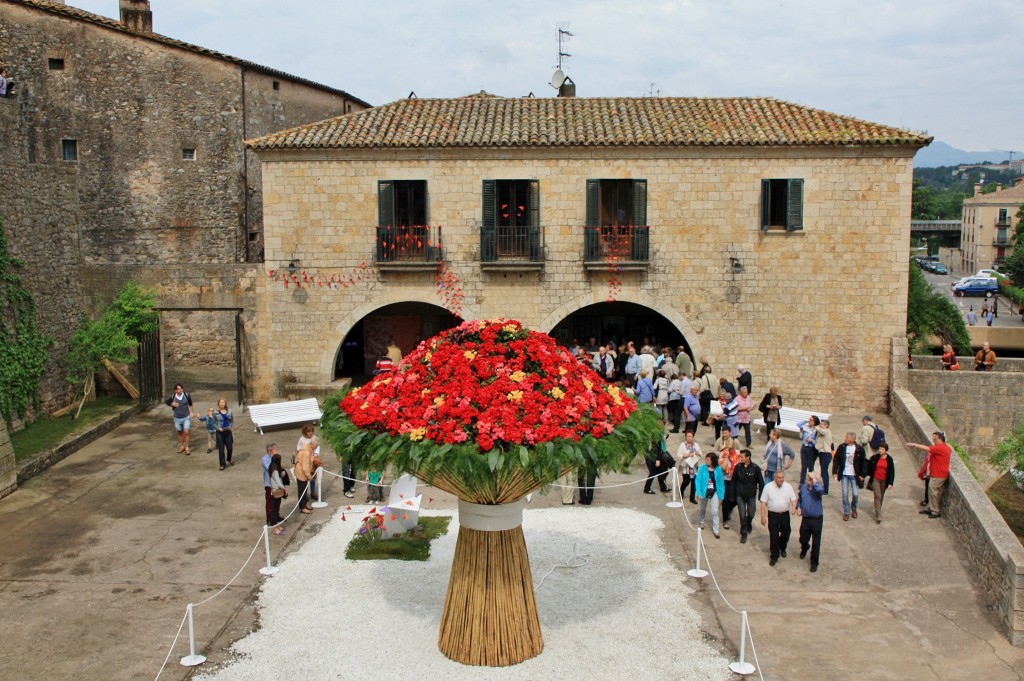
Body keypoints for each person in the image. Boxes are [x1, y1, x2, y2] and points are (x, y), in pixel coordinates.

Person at [908, 431, 952, 519]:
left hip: (938, 474)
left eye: (935, 438)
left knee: (933, 492)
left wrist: (914, 445)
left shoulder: (940, 448)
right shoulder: (946, 447)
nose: (933, 440)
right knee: (934, 492)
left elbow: (927, 448)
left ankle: (935, 511)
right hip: (939, 474)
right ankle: (930, 508)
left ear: (939, 439)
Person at [760, 470, 797, 566]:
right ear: (775, 478)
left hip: (785, 514)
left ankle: (782, 547)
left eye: (782, 477)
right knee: (774, 536)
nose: (781, 479)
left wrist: (794, 508)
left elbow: (793, 499)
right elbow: (763, 502)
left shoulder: (788, 487)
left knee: (786, 533)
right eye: (779, 478)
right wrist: (763, 516)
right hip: (773, 515)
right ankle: (774, 555)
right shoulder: (768, 487)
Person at [831, 432, 866, 521]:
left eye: (847, 437)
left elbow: (864, 462)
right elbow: (836, 459)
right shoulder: (842, 447)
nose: (845, 438)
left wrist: (862, 474)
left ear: (852, 439)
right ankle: (846, 512)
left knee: (855, 493)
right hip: (844, 474)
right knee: (845, 493)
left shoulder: (859, 449)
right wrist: (835, 471)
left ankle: (854, 508)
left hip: (854, 474)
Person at [732, 449, 764, 543]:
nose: (740, 458)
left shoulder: (755, 468)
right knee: (742, 515)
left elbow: (761, 482)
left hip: (751, 495)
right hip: (740, 495)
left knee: (751, 513)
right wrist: (732, 494)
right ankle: (744, 533)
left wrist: (760, 495)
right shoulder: (738, 467)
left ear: (748, 457)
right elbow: (733, 481)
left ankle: (748, 522)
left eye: (742, 457)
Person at [797, 471, 825, 572]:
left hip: (817, 519)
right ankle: (805, 547)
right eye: (808, 478)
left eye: (811, 479)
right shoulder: (804, 487)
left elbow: (819, 490)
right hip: (806, 518)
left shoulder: (818, 488)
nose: (809, 480)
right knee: (803, 538)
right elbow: (800, 498)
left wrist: (815, 480)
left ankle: (814, 563)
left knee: (816, 542)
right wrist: (799, 507)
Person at [696, 452, 726, 538]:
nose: (707, 461)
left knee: (715, 511)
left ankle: (716, 530)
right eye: (706, 459)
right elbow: (698, 481)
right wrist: (699, 493)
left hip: (715, 492)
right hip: (704, 491)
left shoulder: (718, 469)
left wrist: (721, 496)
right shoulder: (703, 468)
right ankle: (701, 522)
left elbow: (721, 483)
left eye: (708, 460)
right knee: (702, 508)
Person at [864, 442, 895, 524]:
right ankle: (879, 515)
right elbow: (868, 465)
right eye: (880, 449)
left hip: (884, 481)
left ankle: (878, 510)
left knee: (881, 496)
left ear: (886, 450)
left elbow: (892, 471)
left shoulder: (889, 459)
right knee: (877, 496)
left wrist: (891, 483)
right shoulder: (875, 457)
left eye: (882, 449)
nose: (880, 450)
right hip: (876, 479)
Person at [718, 434, 741, 530]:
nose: (730, 450)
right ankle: (725, 519)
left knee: (737, 500)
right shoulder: (722, 454)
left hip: (735, 480)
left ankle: (729, 509)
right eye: (729, 448)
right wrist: (726, 458)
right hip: (726, 480)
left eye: (732, 448)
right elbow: (723, 468)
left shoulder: (738, 454)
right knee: (726, 500)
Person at [164, 383, 194, 455]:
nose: (180, 390)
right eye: (178, 389)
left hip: (186, 416)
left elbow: (190, 404)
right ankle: (181, 446)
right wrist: (172, 404)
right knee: (180, 432)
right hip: (177, 418)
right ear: (175, 390)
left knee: (186, 432)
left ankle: (187, 447)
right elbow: (167, 402)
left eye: (181, 388)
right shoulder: (173, 396)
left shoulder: (186, 395)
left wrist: (191, 412)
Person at [643, 428, 672, 495]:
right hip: (655, 458)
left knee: (660, 472)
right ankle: (647, 488)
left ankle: (663, 487)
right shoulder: (656, 437)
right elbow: (655, 450)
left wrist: (665, 436)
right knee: (653, 473)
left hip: (658, 456)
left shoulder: (659, 435)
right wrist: (657, 460)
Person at [676, 430, 702, 504]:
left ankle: (692, 498)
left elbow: (700, 453)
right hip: (685, 466)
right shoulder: (682, 445)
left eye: (690, 436)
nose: (689, 438)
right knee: (686, 481)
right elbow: (678, 455)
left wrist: (697, 453)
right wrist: (687, 455)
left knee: (694, 482)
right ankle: (681, 490)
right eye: (687, 436)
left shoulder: (696, 445)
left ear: (693, 437)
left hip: (694, 466)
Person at [813, 418, 835, 494]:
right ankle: (823, 488)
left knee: (824, 472)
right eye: (820, 424)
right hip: (822, 453)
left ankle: (826, 490)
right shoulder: (821, 432)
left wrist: (816, 426)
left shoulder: (827, 431)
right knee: (823, 472)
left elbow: (822, 431)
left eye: (822, 424)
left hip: (826, 454)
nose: (820, 425)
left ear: (826, 425)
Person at [268, 453, 288, 534]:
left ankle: (277, 526)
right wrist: (284, 488)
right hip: (276, 491)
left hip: (275, 490)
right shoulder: (275, 471)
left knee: (276, 509)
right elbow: (278, 483)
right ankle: (275, 528)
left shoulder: (272, 468)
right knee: (275, 510)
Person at [796, 415, 819, 484]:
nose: (810, 421)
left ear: (815, 422)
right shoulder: (806, 427)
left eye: (811, 420)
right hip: (804, 447)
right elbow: (798, 424)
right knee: (804, 466)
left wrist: (811, 440)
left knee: (810, 466)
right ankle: (802, 482)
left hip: (811, 449)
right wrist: (806, 421)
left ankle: (811, 481)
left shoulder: (816, 430)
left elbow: (817, 442)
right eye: (809, 419)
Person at [294, 444, 315, 514]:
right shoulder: (306, 453)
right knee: (302, 491)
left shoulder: (307, 449)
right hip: (301, 474)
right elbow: (305, 466)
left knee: (305, 490)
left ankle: (305, 504)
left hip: (302, 473)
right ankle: (302, 507)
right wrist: (309, 476)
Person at [215, 397, 234, 470]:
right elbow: (213, 422)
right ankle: (222, 464)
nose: (221, 404)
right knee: (221, 449)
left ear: (225, 403)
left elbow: (232, 420)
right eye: (220, 402)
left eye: (223, 402)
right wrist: (218, 428)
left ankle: (229, 459)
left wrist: (230, 427)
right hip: (220, 433)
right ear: (218, 404)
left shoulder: (229, 411)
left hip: (227, 431)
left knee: (230, 448)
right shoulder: (215, 412)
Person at [262, 443, 278, 528]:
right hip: (269, 484)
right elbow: (272, 469)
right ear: (270, 451)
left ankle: (276, 517)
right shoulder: (265, 459)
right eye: (275, 450)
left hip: (276, 483)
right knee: (270, 503)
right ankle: (269, 519)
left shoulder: (275, 458)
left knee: (277, 502)